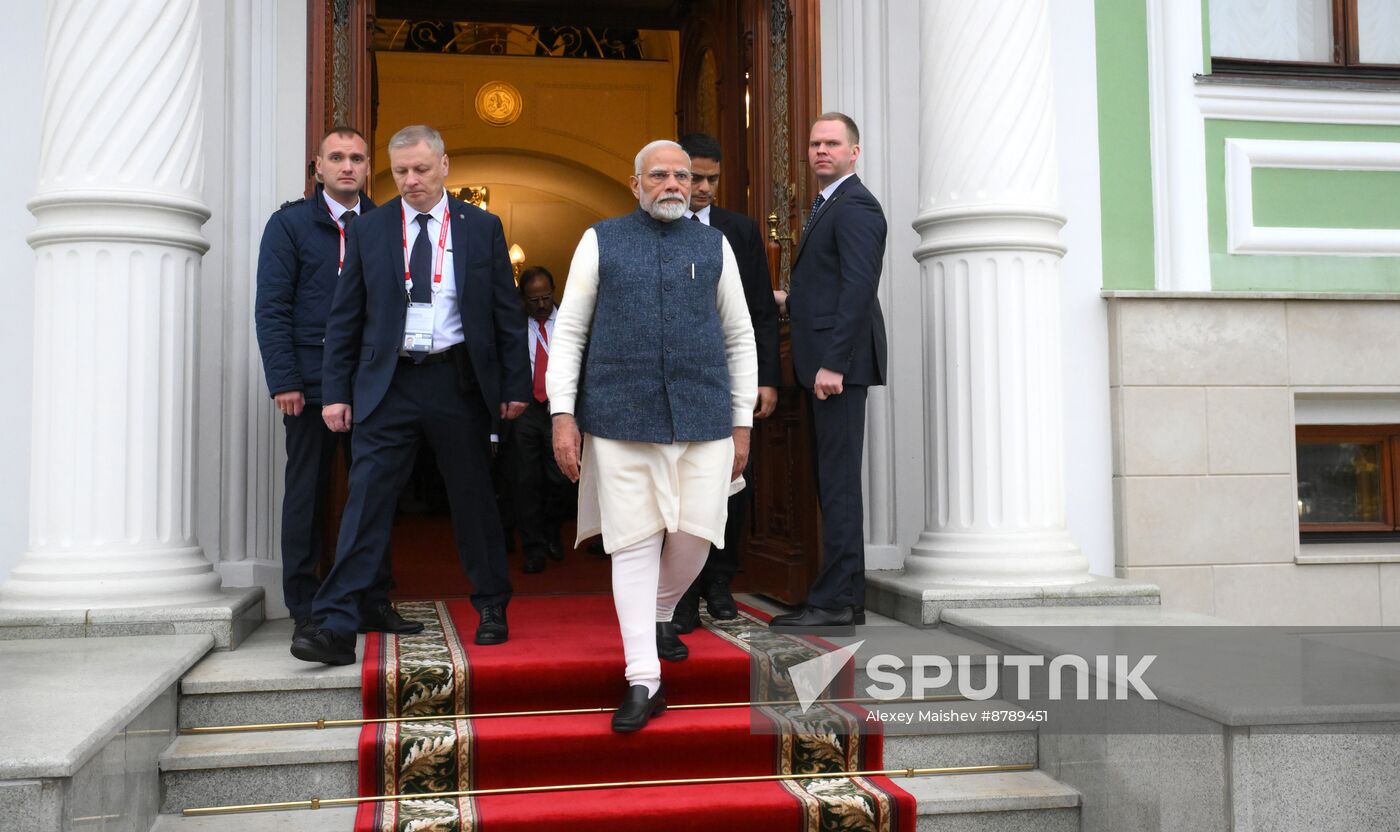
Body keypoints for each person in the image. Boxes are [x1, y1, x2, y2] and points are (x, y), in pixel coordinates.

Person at [291, 124, 530, 665]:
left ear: (445, 166)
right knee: (366, 501)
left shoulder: (481, 226)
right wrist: (334, 392)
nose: (412, 180)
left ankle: (492, 604)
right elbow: (345, 315)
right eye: (401, 171)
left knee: (473, 499)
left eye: (421, 169)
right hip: (387, 384)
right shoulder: (372, 229)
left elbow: (505, 313)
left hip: (457, 381)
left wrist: (514, 384)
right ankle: (333, 624)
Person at [549, 139, 757, 731]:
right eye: (659, 174)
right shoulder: (601, 239)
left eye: (682, 175)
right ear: (635, 182)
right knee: (635, 543)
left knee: (696, 535)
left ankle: (662, 609)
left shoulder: (714, 245)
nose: (672, 183)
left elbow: (740, 336)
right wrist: (563, 414)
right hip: (618, 420)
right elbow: (569, 333)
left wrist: (741, 420)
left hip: (705, 417)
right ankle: (643, 677)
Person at [254, 127, 420, 643]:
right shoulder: (289, 226)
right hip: (307, 382)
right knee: (307, 492)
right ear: (318, 167)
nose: (347, 166)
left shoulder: (388, 223)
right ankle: (305, 603)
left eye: (356, 158)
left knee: (373, 495)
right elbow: (272, 307)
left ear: (368, 167)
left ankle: (371, 599)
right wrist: (284, 378)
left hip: (372, 382)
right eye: (337, 158)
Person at [769, 113, 887, 629]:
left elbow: (858, 290)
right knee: (831, 481)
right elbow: (830, 284)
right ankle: (847, 596)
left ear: (854, 152)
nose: (821, 150)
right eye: (815, 143)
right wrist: (787, 300)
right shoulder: (827, 204)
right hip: (823, 364)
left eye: (832, 143)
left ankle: (836, 600)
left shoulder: (856, 204)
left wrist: (834, 363)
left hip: (836, 368)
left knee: (837, 485)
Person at [670, 132, 780, 631]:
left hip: (730, 378)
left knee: (732, 481)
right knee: (677, 488)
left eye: (713, 179)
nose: (705, 188)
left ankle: (719, 583)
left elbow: (760, 311)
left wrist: (767, 379)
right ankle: (683, 592)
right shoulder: (655, 229)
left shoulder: (741, 230)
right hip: (674, 379)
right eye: (696, 177)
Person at [506, 265, 571, 574]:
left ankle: (551, 530)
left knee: (560, 477)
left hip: (560, 408)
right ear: (523, 299)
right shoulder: (514, 325)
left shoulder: (570, 322)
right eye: (534, 300)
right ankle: (533, 547)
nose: (541, 304)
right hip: (526, 408)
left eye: (546, 297)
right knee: (525, 479)